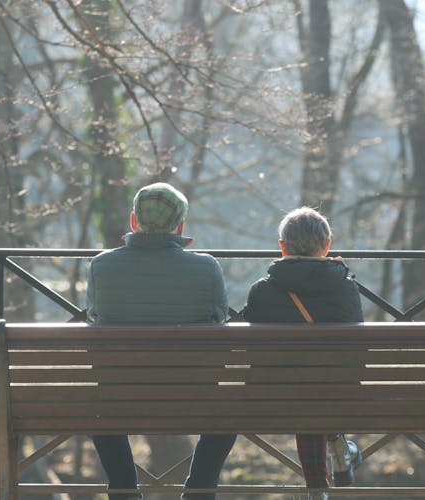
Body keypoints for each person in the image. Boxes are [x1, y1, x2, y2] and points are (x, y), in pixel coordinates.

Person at [86, 182, 236, 500]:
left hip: (120, 396)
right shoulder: (207, 268)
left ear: (133, 221)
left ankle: (125, 490)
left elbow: (93, 316)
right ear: (180, 225)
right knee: (227, 418)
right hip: (193, 395)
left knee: (100, 413)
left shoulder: (101, 266)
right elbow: (220, 318)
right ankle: (198, 491)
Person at [240, 207, 363, 500]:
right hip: (339, 394)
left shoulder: (262, 291)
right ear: (328, 246)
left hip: (274, 394)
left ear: (282, 247)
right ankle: (336, 455)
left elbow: (253, 351)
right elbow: (355, 354)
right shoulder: (346, 289)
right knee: (317, 389)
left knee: (302, 389)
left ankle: (318, 488)